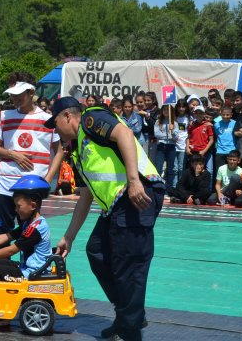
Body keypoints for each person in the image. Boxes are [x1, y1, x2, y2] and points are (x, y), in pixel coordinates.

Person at [48, 97, 165, 341]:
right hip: (116, 205)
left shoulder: (91, 120)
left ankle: (130, 330)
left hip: (136, 195)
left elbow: (123, 133)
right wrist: (68, 237)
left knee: (129, 266)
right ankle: (128, 315)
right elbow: (86, 196)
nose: (55, 129)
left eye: (55, 123)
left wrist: (133, 181)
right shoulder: (80, 148)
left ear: (68, 116)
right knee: (97, 251)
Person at [0, 73, 62, 239]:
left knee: (28, 233)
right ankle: (1, 265)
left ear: (31, 93)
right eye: (12, 95)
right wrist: (13, 155)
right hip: (4, 184)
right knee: (2, 231)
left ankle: (28, 266)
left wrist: (48, 179)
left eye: (19, 95)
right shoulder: (6, 116)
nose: (15, 98)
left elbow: (59, 152)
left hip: (32, 184)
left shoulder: (47, 119)